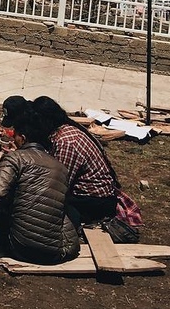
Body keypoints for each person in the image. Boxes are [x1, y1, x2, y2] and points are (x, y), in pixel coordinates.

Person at [0, 104, 80, 265]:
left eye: (15, 135)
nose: (13, 138)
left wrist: (12, 205)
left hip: (20, 247)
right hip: (54, 252)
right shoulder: (60, 166)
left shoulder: (16, 158)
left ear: (23, 138)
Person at [32, 96, 143, 234]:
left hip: (94, 199)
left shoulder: (66, 142)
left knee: (50, 206)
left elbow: (60, 182)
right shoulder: (66, 130)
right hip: (94, 194)